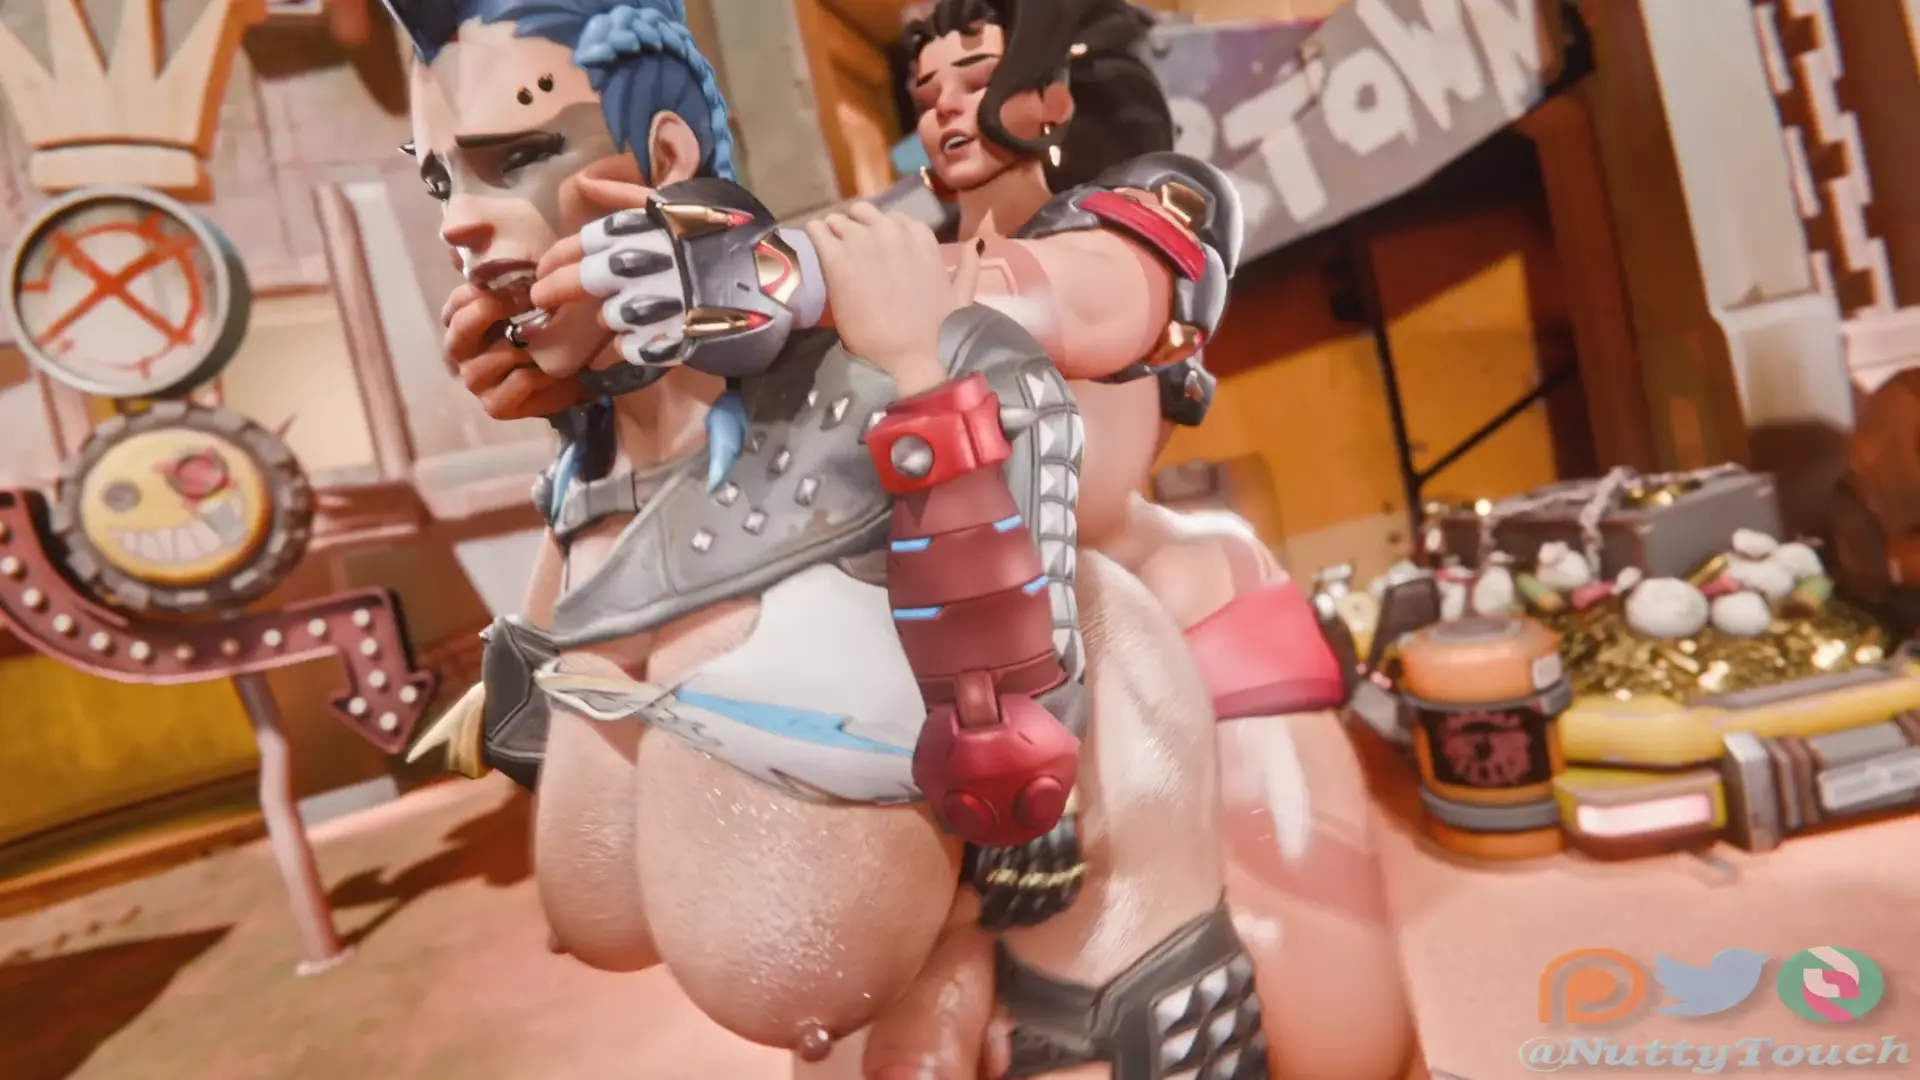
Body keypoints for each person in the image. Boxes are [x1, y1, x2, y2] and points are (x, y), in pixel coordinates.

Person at [535, 1, 1419, 1075]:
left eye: (975, 74)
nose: (945, 105)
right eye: (928, 89)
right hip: (944, 602)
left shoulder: (1145, 215)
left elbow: (1075, 302)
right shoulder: (900, 241)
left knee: (1327, 1015)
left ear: (1057, 83)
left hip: (1130, 593)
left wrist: (783, 276)